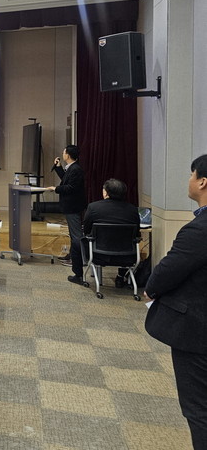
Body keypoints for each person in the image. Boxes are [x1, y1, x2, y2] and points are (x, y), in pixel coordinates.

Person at [145, 154, 207, 449]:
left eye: (191, 174)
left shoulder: (199, 230)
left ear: (202, 182)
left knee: (199, 409)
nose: (189, 180)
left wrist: (150, 289)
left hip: (197, 332)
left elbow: (168, 271)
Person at [81, 178, 140, 288]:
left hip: (98, 255)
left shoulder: (94, 207)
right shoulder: (132, 210)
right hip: (126, 256)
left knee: (80, 241)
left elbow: (86, 230)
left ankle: (80, 275)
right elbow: (137, 233)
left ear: (106, 193)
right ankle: (121, 276)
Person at [46, 145, 87, 285]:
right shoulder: (71, 168)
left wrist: (55, 188)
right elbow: (66, 180)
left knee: (76, 236)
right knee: (73, 234)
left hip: (73, 207)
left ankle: (79, 267)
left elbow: (71, 188)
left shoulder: (76, 169)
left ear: (68, 155)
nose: (62, 154)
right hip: (71, 207)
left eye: (64, 152)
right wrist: (58, 167)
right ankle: (72, 257)